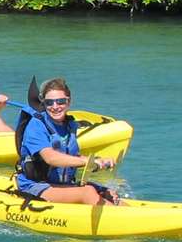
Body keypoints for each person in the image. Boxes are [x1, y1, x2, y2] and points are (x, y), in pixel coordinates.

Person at [16, 77, 122, 205]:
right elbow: (51, 158)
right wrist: (87, 161)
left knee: (110, 193)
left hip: (62, 184)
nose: (55, 107)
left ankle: (134, 217)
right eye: (49, 102)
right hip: (35, 186)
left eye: (60, 101)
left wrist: (99, 161)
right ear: (44, 104)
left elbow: (69, 155)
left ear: (69, 102)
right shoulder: (36, 126)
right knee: (87, 192)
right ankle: (123, 222)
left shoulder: (70, 125)